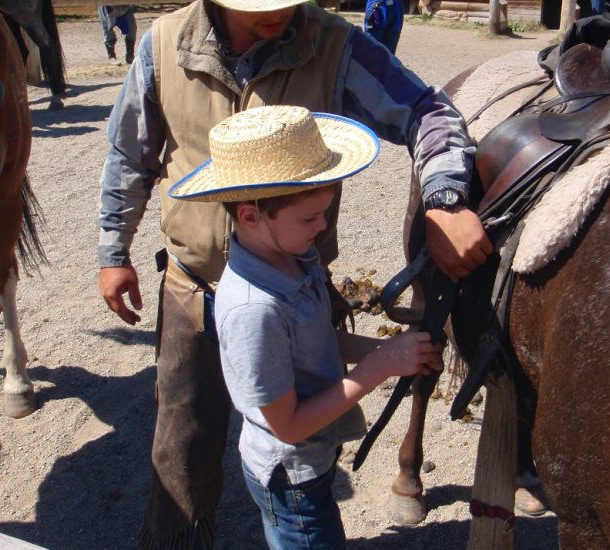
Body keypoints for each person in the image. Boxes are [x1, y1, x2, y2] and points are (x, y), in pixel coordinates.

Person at [97, 0, 491, 547]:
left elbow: (427, 110)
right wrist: (113, 249)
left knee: (308, 439)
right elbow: (130, 155)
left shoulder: (336, 46)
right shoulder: (162, 45)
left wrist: (444, 199)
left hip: (296, 285)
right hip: (192, 284)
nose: (279, 8)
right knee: (181, 445)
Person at [171, 105, 444, 548]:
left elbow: (316, 340)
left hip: (311, 459)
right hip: (290, 475)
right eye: (310, 218)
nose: (322, 227)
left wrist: (386, 352)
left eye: (326, 211)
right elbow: (290, 427)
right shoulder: (252, 310)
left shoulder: (293, 256)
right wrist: (379, 369)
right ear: (250, 216)